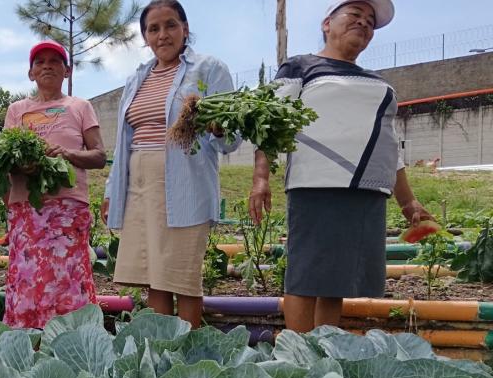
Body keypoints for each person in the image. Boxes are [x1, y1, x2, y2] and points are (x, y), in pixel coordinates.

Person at [249, 0, 434, 332]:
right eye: (355, 15)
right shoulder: (299, 68)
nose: (364, 24)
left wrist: (409, 202)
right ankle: (297, 355)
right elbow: (269, 123)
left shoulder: (381, 86)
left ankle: (326, 351)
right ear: (327, 24)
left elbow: (390, 147)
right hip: (315, 185)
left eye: (370, 22)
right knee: (305, 277)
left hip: (367, 193)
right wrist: (261, 177)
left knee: (338, 282)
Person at [102, 0, 240, 328]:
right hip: (139, 184)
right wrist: (112, 189)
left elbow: (231, 139)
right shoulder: (137, 78)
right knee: (154, 276)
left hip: (184, 183)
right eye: (154, 28)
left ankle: (187, 351)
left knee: (182, 277)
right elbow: (123, 143)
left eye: (170, 25)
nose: (163, 34)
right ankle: (163, 352)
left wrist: (216, 124)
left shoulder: (209, 69)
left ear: (185, 29)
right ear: (145, 37)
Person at [2, 40, 107, 329]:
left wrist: (68, 154)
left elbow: (99, 156)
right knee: (26, 276)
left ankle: (73, 339)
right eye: (40, 62)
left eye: (55, 61)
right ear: (31, 73)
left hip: (68, 209)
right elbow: (3, 155)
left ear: (67, 71)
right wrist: (22, 165)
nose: (47, 65)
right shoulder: (16, 110)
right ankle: (26, 341)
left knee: (68, 276)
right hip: (27, 207)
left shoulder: (80, 106)